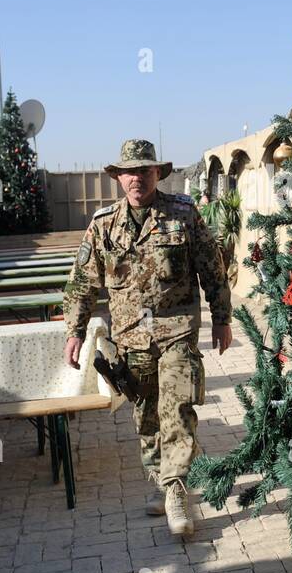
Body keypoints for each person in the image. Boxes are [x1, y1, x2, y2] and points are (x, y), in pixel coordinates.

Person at [62, 139, 232, 535]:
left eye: (144, 170)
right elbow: (82, 283)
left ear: (158, 173)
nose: (137, 178)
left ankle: (176, 491)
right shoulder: (103, 224)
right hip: (131, 340)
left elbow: (213, 268)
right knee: (146, 416)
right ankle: (159, 479)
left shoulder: (184, 214)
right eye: (129, 171)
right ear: (118, 177)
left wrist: (222, 318)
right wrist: (75, 331)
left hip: (177, 332)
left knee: (177, 409)